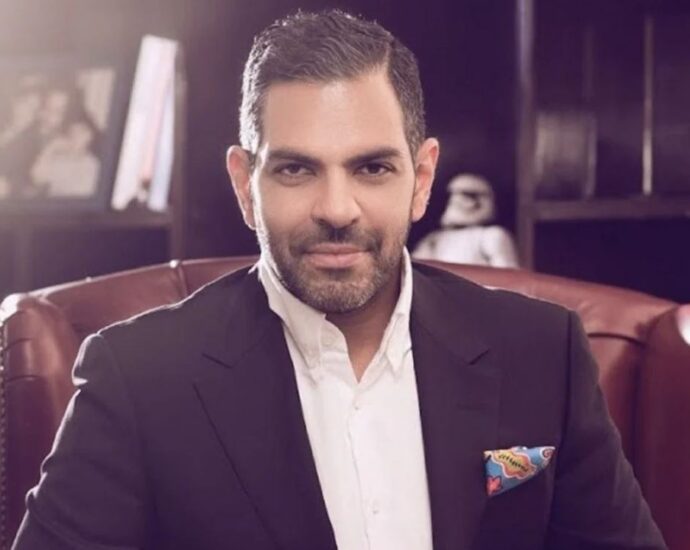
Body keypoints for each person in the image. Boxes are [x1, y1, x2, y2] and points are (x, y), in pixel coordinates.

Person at [13, 9, 666, 550]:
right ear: (245, 185)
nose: (336, 209)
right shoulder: (135, 376)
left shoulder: (544, 351)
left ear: (423, 179)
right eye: (296, 170)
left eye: (372, 168)